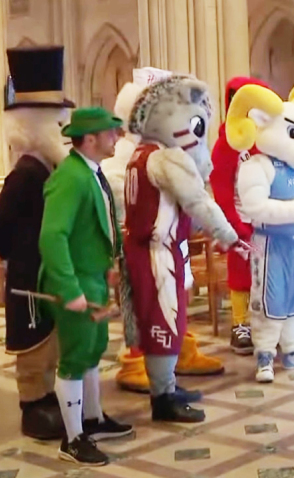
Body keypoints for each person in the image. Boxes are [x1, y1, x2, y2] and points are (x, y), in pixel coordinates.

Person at [123, 74, 246, 422]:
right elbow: (197, 202)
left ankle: (167, 385)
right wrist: (228, 234)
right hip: (157, 252)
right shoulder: (166, 158)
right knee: (165, 321)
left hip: (147, 249)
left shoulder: (140, 154)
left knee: (162, 319)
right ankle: (163, 398)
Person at [103, 68, 219, 400]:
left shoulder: (171, 157)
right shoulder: (125, 165)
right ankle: (139, 362)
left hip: (174, 247)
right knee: (148, 312)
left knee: (176, 306)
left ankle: (179, 352)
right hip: (143, 251)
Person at [0, 45, 74, 440]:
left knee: (51, 342)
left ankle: (47, 397)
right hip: (28, 277)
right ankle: (32, 404)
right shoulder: (25, 175)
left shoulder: (50, 170)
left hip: (46, 274)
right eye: (57, 125)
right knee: (33, 344)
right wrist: (17, 259)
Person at [39, 106, 133, 465]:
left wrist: (111, 262)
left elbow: (102, 220)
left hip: (93, 277)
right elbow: (53, 236)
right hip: (75, 280)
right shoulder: (71, 177)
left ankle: (93, 419)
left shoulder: (91, 173)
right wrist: (68, 288)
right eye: (110, 133)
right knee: (76, 358)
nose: (116, 138)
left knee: (93, 351)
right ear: (90, 138)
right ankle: (73, 438)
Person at [226, 83, 294, 383]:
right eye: (293, 133)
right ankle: (265, 354)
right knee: (268, 299)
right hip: (268, 243)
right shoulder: (258, 166)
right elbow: (256, 208)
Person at [211, 76, 272, 355]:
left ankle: (265, 322)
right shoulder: (227, 144)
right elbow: (221, 185)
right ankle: (240, 325)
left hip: (265, 219)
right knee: (241, 273)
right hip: (241, 220)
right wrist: (232, 223)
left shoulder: (265, 140)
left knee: (266, 273)